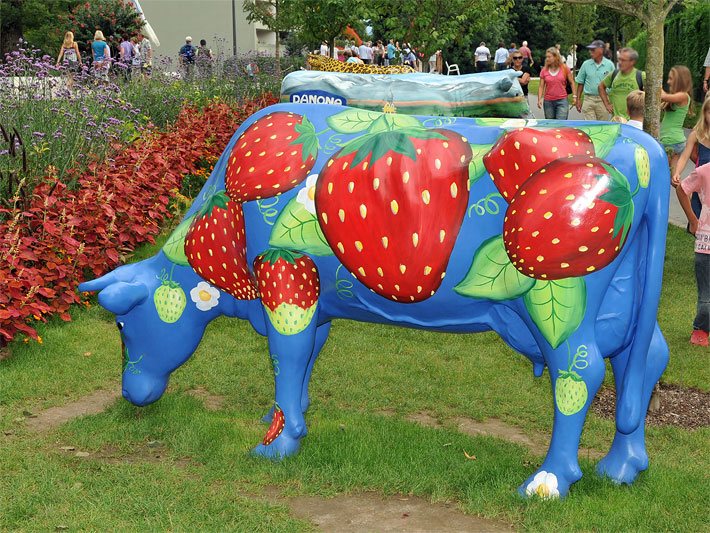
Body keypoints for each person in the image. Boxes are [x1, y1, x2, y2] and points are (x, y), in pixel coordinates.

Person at [673, 161, 710, 347]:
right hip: (706, 246)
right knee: (706, 296)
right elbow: (682, 189)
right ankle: (700, 331)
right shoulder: (704, 171)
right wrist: (692, 219)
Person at [673, 96, 710, 221]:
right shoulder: (697, 134)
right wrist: (677, 172)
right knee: (699, 225)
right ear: (704, 113)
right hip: (700, 189)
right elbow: (684, 156)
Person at [660, 65, 694, 174]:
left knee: (663, 173)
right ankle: (686, 190)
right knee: (673, 177)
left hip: (671, 141)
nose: (668, 82)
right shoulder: (676, 97)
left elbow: (662, 96)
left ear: (679, 80)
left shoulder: (683, 96)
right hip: (673, 141)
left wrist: (655, 83)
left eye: (671, 78)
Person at [598, 47, 645, 120]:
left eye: (623, 60)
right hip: (616, 120)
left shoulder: (640, 76)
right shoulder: (614, 74)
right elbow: (601, 87)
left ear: (632, 62)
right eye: (619, 59)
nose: (620, 62)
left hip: (634, 122)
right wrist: (607, 104)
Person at [574, 39, 615, 120]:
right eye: (590, 50)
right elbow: (581, 83)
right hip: (588, 99)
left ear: (601, 50)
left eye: (593, 50)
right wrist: (578, 99)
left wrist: (611, 102)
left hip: (603, 100)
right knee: (589, 126)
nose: (590, 52)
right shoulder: (586, 64)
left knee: (602, 127)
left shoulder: (609, 65)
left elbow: (614, 84)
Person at [538, 47, 575, 120]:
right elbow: (541, 86)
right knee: (550, 126)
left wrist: (574, 96)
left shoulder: (564, 68)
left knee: (561, 125)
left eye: (549, 57)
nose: (547, 59)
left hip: (562, 101)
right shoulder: (544, 70)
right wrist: (539, 99)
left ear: (555, 57)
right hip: (548, 102)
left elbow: (572, 82)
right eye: (546, 57)